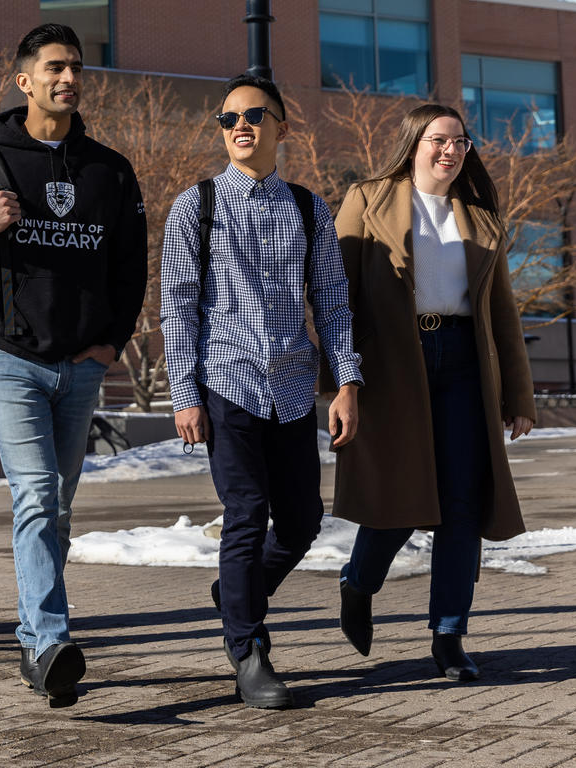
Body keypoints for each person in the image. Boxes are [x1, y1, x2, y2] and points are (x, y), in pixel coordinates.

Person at [0, 23, 146, 708]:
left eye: (76, 67)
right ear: (24, 80)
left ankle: (31, 643)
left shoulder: (109, 170)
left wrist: (112, 341)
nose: (68, 78)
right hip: (11, 363)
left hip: (82, 369)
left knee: (59, 508)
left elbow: (130, 266)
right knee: (38, 496)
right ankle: (50, 641)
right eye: (54, 67)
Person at [160, 74, 362, 709]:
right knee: (245, 515)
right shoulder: (197, 205)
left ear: (282, 127)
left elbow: (332, 304)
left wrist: (347, 381)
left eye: (253, 115)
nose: (239, 126)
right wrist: (183, 393)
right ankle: (248, 650)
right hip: (226, 383)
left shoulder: (309, 208)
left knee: (301, 523)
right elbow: (177, 307)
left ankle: (236, 592)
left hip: (295, 388)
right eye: (227, 119)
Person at [332, 104, 537, 682]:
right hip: (396, 363)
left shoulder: (480, 217)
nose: (450, 151)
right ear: (413, 142)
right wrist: (342, 382)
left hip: (465, 363)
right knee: (402, 497)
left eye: (460, 143)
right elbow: (336, 293)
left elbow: (502, 313)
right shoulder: (366, 200)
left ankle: (449, 634)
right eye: (438, 140)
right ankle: (358, 582)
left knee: (462, 506)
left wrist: (518, 396)